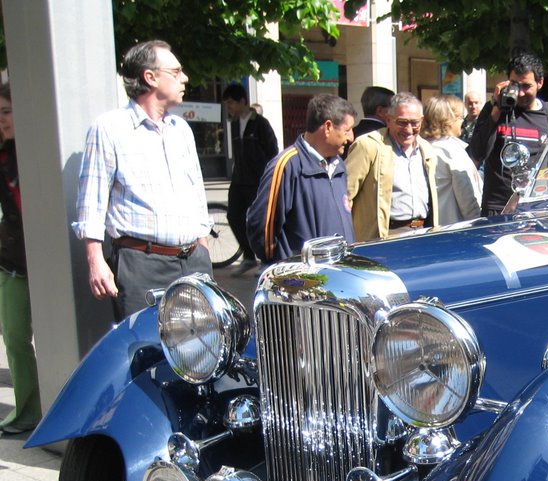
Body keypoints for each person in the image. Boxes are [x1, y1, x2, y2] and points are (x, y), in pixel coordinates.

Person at [73, 40, 212, 318]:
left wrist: (204, 249)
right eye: (176, 72)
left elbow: (197, 192)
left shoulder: (181, 130)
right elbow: (92, 203)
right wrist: (96, 261)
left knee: (202, 352)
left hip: (193, 261)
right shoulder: (110, 128)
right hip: (143, 265)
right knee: (146, 350)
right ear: (150, 77)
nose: (184, 78)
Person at [246, 94, 357, 261]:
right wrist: (286, 265)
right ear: (327, 127)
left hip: (340, 273)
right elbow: (262, 228)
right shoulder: (287, 166)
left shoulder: (339, 165)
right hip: (305, 279)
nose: (351, 138)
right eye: (347, 130)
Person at [469, 52, 548, 216]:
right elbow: (478, 152)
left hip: (534, 205)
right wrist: (497, 107)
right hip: (497, 206)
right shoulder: (494, 109)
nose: (521, 93)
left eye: (526, 86)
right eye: (515, 85)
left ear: (540, 82)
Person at [0, 83, 41, 436]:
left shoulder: (37, 153)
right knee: (13, 335)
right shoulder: (2, 157)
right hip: (12, 261)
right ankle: (27, 412)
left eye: (6, 112)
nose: (2, 121)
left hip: (48, 262)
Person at [347, 92, 439, 240]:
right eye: (402, 122)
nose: (409, 130)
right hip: (386, 236)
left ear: (422, 121)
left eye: (414, 123)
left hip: (423, 232)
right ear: (388, 120)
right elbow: (346, 196)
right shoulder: (368, 145)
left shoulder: (426, 148)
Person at [221, 83, 279, 271]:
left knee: (259, 221)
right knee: (233, 216)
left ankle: (265, 260)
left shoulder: (260, 124)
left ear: (242, 101)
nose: (228, 107)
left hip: (258, 181)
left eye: (230, 102)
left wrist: (268, 179)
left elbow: (272, 151)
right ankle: (248, 256)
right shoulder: (233, 124)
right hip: (239, 180)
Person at [422, 95, 482, 226]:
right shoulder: (452, 152)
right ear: (448, 120)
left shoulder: (420, 147)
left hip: (428, 228)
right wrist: (477, 224)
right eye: (460, 117)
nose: (462, 122)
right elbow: (467, 199)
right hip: (454, 227)